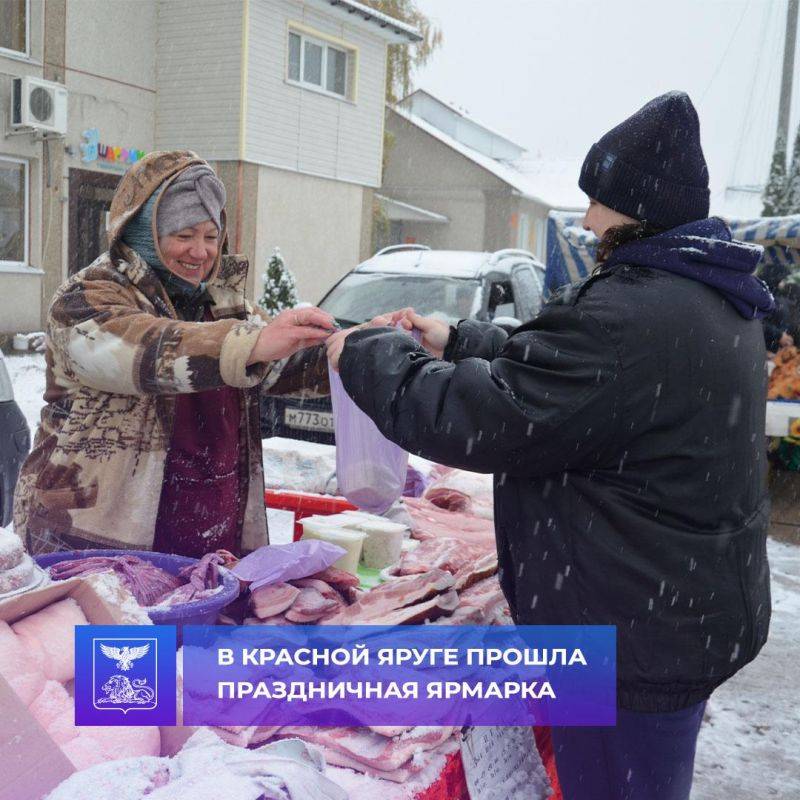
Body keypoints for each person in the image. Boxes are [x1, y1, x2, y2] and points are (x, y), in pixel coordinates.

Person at [326, 92, 774, 800]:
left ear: (636, 207)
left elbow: (484, 418)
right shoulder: (707, 292)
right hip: (675, 611)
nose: (588, 218)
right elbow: (577, 378)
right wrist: (459, 339)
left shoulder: (634, 312)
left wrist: (367, 352)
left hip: (629, 641)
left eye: (599, 201)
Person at [14, 150, 334, 558]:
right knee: (117, 624)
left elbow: (283, 366)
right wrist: (250, 343)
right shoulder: (86, 297)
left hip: (206, 534)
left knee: (199, 621)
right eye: (184, 236)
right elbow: (142, 351)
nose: (200, 252)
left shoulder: (225, 305)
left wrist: (360, 348)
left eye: (210, 236)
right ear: (146, 233)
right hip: (92, 540)